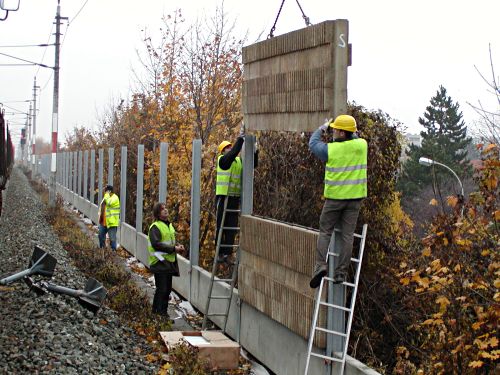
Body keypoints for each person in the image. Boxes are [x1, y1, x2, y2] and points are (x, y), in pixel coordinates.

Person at [308, 115, 367, 288]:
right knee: (347, 236)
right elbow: (354, 137)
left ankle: (320, 266)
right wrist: (351, 131)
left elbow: (313, 143)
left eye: (335, 129)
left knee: (325, 231)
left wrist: (323, 127)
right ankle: (341, 272)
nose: (333, 131)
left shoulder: (331, 150)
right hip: (355, 199)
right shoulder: (362, 145)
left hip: (334, 199)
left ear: (342, 132)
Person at [215, 124, 247, 263]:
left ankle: (228, 253)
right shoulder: (222, 160)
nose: (230, 149)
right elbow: (233, 153)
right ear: (223, 151)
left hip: (234, 198)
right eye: (227, 147)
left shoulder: (238, 161)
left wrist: (255, 151)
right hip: (223, 197)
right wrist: (240, 139)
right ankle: (219, 252)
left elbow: (252, 165)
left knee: (232, 227)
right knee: (221, 225)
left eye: (230, 147)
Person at [147, 202, 184, 318]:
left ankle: (163, 313)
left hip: (168, 262)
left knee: (167, 289)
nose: (166, 210)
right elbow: (156, 244)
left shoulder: (169, 226)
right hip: (159, 262)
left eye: (166, 208)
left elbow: (169, 241)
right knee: (162, 289)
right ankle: (157, 313)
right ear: (158, 213)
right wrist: (174, 248)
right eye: (162, 209)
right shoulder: (155, 227)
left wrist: (178, 246)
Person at [98, 185, 120, 251]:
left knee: (112, 239)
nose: (104, 193)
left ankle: (113, 253)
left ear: (109, 191)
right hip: (103, 222)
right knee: (100, 236)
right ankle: (103, 250)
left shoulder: (115, 198)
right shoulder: (106, 198)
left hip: (111, 222)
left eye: (106, 191)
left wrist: (106, 195)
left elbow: (109, 203)